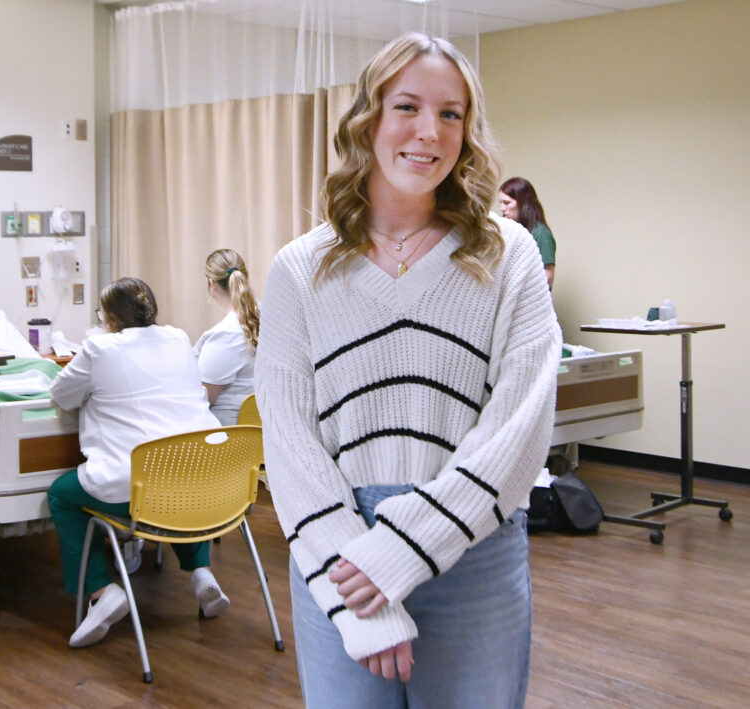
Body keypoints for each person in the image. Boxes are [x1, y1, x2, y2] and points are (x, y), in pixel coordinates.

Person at [254, 33, 560, 708]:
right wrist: (356, 570)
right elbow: (289, 440)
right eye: (408, 107)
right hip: (339, 546)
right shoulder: (300, 269)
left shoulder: (508, 255)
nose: (430, 132)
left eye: (451, 114)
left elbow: (521, 427)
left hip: (475, 546)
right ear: (367, 118)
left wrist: (401, 552)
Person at [46, 277, 229, 648]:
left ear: (110, 318)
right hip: (205, 484)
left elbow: (62, 396)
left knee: (62, 495)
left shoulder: (99, 349)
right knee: (174, 480)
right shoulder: (178, 339)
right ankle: (201, 573)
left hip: (135, 484)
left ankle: (101, 591)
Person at [193, 249, 259, 425]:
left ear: (211, 284)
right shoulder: (272, 318)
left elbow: (199, 402)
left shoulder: (225, 337)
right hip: (267, 439)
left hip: (228, 443)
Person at [499, 176, 555, 289]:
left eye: (507, 203)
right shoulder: (510, 231)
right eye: (500, 202)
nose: (502, 208)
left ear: (522, 203)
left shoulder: (541, 233)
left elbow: (547, 276)